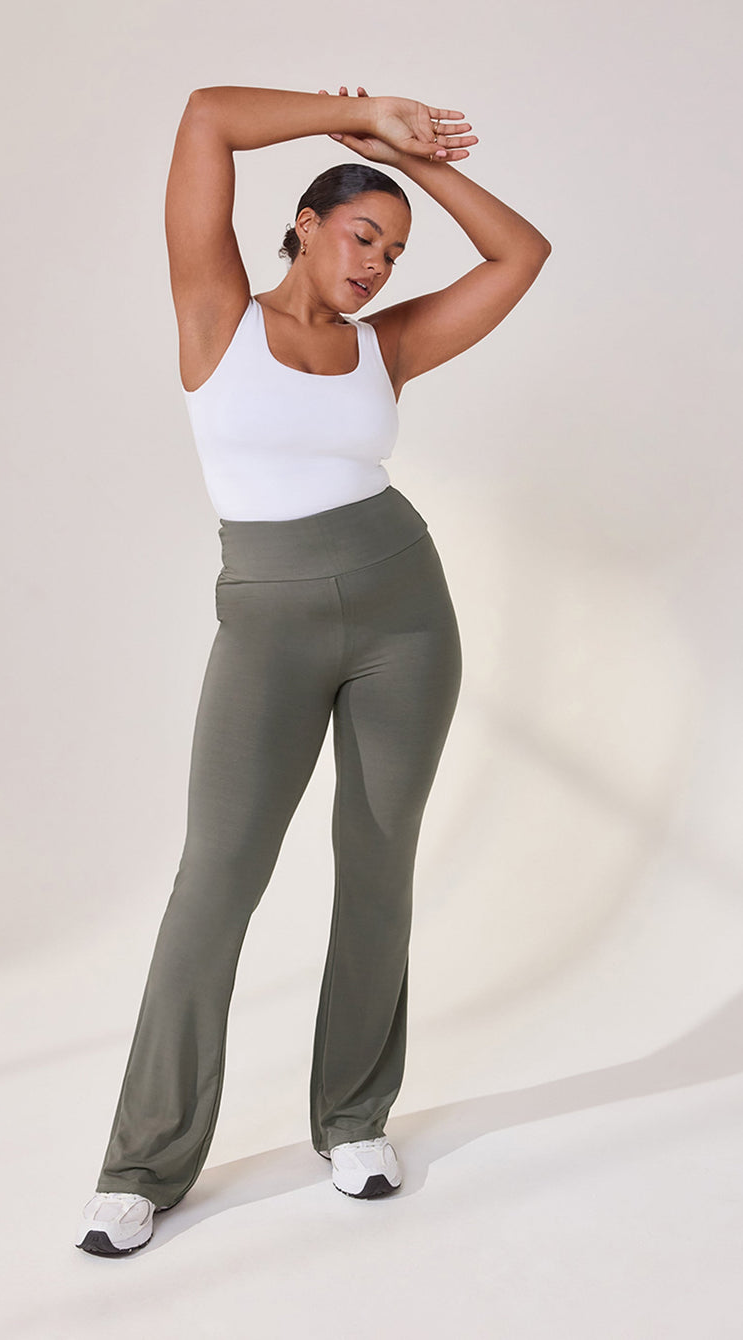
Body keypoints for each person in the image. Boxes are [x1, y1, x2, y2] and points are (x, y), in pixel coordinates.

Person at [75, 83, 551, 1256]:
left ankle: (352, 1117)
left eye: (392, 253)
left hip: (403, 617)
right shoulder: (214, 313)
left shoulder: (384, 347)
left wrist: (416, 168)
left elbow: (521, 253)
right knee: (214, 881)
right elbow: (204, 117)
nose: (376, 266)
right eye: (361, 235)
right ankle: (142, 1162)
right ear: (303, 222)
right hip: (266, 624)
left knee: (376, 865)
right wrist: (363, 121)